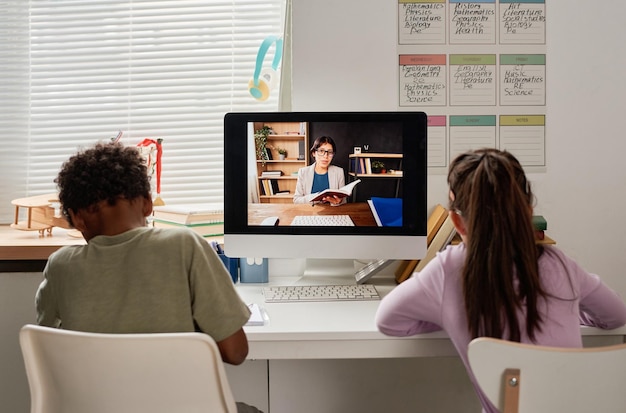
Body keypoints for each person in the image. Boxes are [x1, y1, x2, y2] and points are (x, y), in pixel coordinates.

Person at [375, 148, 626, 413]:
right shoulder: (560, 263)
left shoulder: (447, 270)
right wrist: (568, 310)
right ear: (527, 212)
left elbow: (388, 321)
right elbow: (616, 316)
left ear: (457, 222)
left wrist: (448, 315)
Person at [36, 141, 262, 413]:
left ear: (76, 218)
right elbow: (236, 352)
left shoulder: (60, 266)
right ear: (146, 203)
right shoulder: (184, 245)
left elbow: (54, 351)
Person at [293, 135, 346, 205]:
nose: (325, 156)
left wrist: (338, 202)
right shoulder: (303, 172)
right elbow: (296, 200)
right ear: (314, 153)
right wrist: (317, 197)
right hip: (310, 213)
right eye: (321, 151)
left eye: (330, 152)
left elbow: (344, 201)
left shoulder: (339, 172)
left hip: (332, 213)